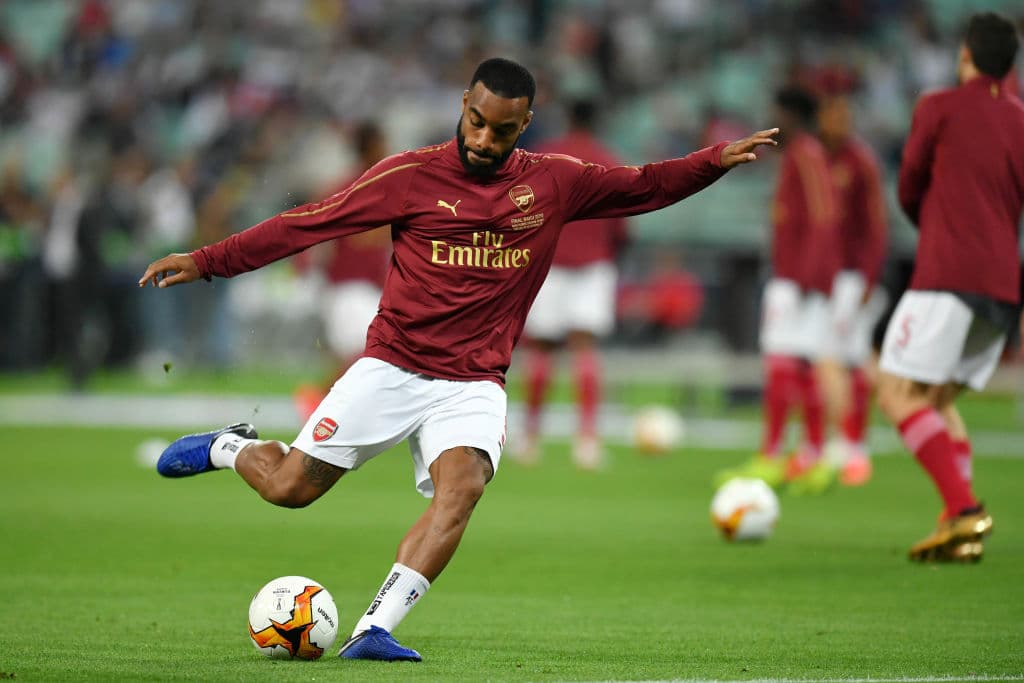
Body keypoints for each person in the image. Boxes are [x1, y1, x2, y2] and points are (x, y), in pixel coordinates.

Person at [139, 57, 778, 660]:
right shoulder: (411, 175)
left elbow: (645, 186)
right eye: (476, 120)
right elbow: (309, 222)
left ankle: (373, 629)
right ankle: (229, 447)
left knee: (463, 487)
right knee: (288, 490)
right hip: (392, 366)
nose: (483, 139)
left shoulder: (554, 182)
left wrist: (714, 160)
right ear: (464, 104)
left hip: (473, 381)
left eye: (501, 130)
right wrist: (207, 261)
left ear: (524, 125)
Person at [876, 13, 1024, 563]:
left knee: (895, 392)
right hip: (1003, 285)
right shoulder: (1019, 118)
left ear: (965, 55)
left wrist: (939, 223)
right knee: (938, 399)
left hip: (948, 273)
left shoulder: (937, 106)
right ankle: (958, 533)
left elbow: (910, 184)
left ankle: (964, 510)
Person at [715, 86, 839, 494]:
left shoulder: (805, 154)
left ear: (791, 114)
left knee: (782, 365)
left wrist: (807, 276)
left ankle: (772, 456)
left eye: (776, 111)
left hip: (796, 280)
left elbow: (823, 218)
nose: (772, 119)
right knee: (800, 368)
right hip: (797, 276)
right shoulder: (800, 155)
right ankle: (812, 457)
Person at [516, 99, 629, 470]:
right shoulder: (609, 160)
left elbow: (522, 208)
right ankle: (587, 442)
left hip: (548, 262)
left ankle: (529, 439)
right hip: (593, 263)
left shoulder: (546, 155)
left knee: (542, 351)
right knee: (585, 350)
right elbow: (623, 224)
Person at [293, 122, 392, 421]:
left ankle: (333, 405)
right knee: (373, 348)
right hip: (346, 286)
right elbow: (311, 224)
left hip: (372, 286)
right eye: (382, 144)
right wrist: (304, 265)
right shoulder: (346, 188)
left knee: (375, 352)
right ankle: (319, 397)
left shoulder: (387, 186)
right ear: (371, 147)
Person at [816, 87, 889, 487]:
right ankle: (851, 444)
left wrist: (867, 275)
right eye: (831, 114)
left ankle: (849, 444)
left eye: (842, 115)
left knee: (834, 358)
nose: (837, 123)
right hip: (828, 276)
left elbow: (876, 225)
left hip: (851, 276)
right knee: (853, 359)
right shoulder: (817, 159)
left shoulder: (860, 163)